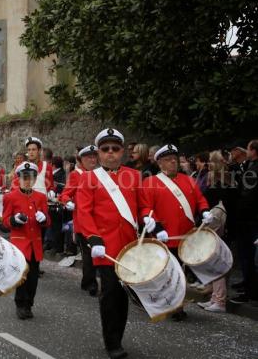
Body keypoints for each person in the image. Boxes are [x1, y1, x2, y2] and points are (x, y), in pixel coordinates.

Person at [77, 128, 143, 359]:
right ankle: (112, 342)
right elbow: (84, 212)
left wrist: (151, 220)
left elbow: (142, 206)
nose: (111, 153)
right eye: (106, 149)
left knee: (123, 296)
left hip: (130, 247)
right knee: (111, 294)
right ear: (99, 153)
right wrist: (93, 238)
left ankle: (118, 336)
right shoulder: (89, 178)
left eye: (115, 149)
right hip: (104, 248)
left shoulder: (134, 176)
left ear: (122, 151)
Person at [139, 144, 210, 321]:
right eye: (168, 160)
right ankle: (168, 304)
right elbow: (146, 207)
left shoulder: (188, 180)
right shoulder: (151, 182)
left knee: (180, 272)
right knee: (168, 272)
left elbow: (200, 200)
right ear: (160, 163)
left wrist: (205, 211)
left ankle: (176, 304)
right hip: (165, 235)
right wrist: (154, 225)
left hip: (186, 236)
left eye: (174, 159)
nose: (173, 162)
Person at [3, 161, 50, 319]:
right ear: (19, 178)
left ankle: (29, 303)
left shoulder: (41, 197)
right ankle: (20, 304)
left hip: (35, 244)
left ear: (35, 179)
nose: (27, 180)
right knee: (21, 276)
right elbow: (5, 222)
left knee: (33, 278)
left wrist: (43, 219)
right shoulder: (11, 197)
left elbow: (47, 221)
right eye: (24, 177)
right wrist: (15, 220)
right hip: (20, 244)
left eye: (31, 177)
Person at [198, 150, 236, 312]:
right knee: (214, 258)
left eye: (211, 162)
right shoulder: (223, 179)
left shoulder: (221, 180)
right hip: (219, 221)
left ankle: (219, 299)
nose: (208, 165)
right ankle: (216, 296)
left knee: (215, 259)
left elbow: (220, 202)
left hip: (218, 222)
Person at [59, 145, 99, 296]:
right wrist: (68, 202)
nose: (92, 159)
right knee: (88, 254)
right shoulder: (77, 174)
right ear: (81, 159)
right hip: (83, 220)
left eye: (94, 156)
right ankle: (89, 283)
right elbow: (65, 194)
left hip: (100, 220)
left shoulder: (101, 174)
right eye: (88, 157)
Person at [230, 140, 258, 305]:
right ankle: (249, 287)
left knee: (248, 256)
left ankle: (250, 291)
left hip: (248, 219)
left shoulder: (254, 168)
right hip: (249, 218)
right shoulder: (250, 166)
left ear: (253, 151)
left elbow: (247, 195)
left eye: (248, 149)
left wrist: (238, 213)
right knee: (247, 257)